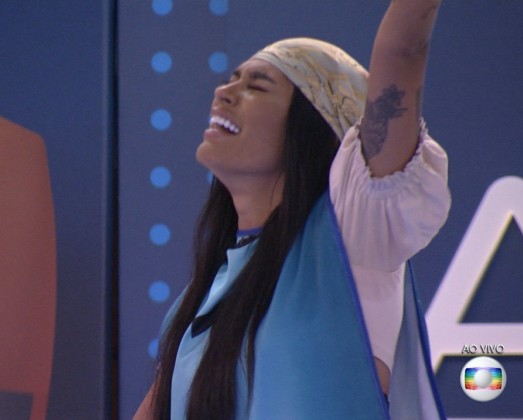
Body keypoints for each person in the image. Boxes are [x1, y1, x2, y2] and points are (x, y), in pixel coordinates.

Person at [135, 0, 449, 418]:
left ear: (312, 129)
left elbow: (403, 50)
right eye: (231, 80)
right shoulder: (196, 302)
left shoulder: (354, 235)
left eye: (258, 86)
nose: (222, 92)